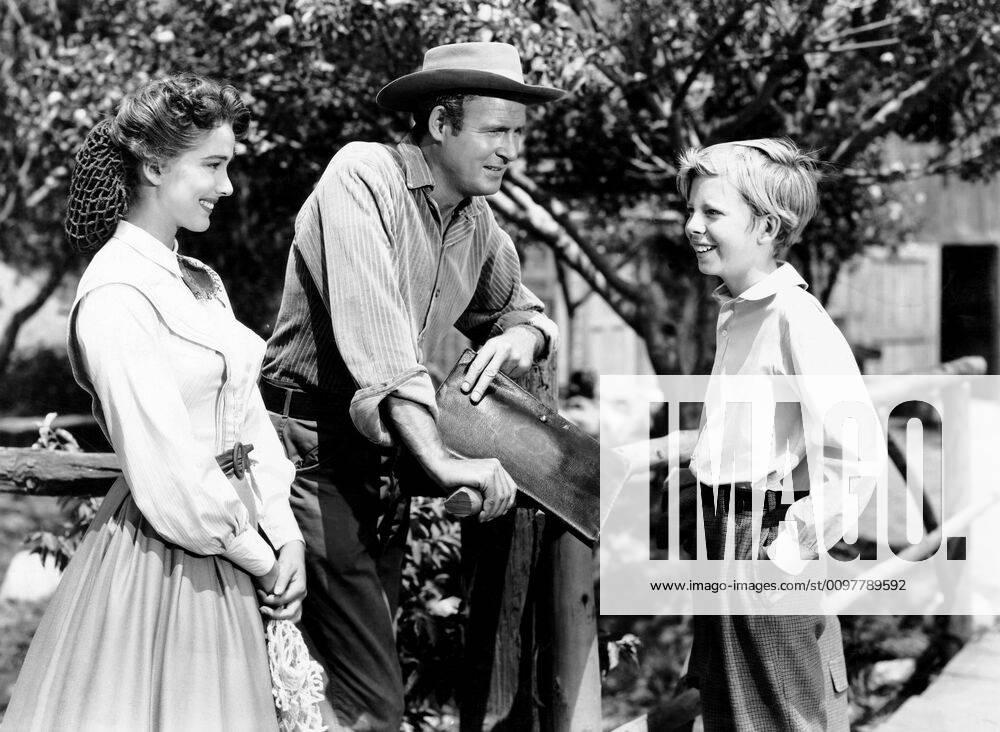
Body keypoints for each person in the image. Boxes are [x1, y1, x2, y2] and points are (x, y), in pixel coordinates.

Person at [259, 41, 563, 730]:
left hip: (381, 464)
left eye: (518, 133)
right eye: (495, 130)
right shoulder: (363, 176)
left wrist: (521, 336)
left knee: (319, 685)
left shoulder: (476, 222)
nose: (511, 150)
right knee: (370, 701)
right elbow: (383, 348)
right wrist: (441, 460)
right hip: (309, 454)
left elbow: (525, 313)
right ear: (440, 124)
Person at [3, 74, 307, 730]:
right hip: (164, 556)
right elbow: (167, 468)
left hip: (237, 539)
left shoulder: (199, 282)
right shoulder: (115, 295)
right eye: (213, 166)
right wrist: (256, 552)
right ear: (153, 165)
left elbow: (244, 423)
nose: (226, 188)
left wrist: (283, 537)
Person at [674, 139, 879, 731]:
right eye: (691, 211)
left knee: (784, 712)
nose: (693, 226)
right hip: (723, 529)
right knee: (727, 705)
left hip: (763, 532)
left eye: (712, 213)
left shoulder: (795, 316)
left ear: (766, 225)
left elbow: (856, 448)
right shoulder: (739, 310)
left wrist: (788, 550)